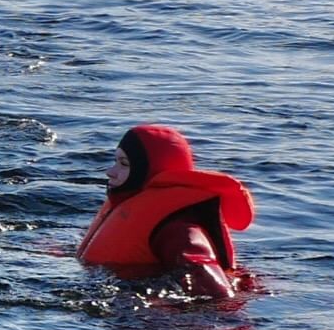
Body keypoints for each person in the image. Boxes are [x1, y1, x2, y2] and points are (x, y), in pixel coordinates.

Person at [77, 124, 254, 303]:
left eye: (124, 164)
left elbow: (208, 281)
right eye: (115, 161)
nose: (110, 172)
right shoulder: (135, 206)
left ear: (149, 170)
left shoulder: (178, 226)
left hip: (155, 324)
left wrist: (223, 316)